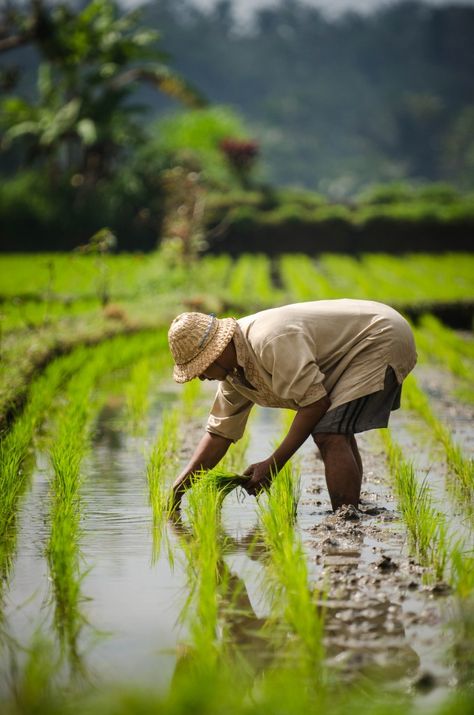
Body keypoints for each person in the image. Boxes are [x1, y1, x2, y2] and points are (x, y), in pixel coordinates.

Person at [168, 300, 417, 511]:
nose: (201, 377)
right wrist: (178, 489)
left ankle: (346, 519)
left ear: (216, 352)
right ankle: (350, 512)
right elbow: (219, 434)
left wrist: (273, 463)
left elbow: (315, 403)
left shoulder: (269, 341)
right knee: (334, 429)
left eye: (201, 368)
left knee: (329, 432)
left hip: (380, 337)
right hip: (366, 340)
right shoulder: (233, 372)